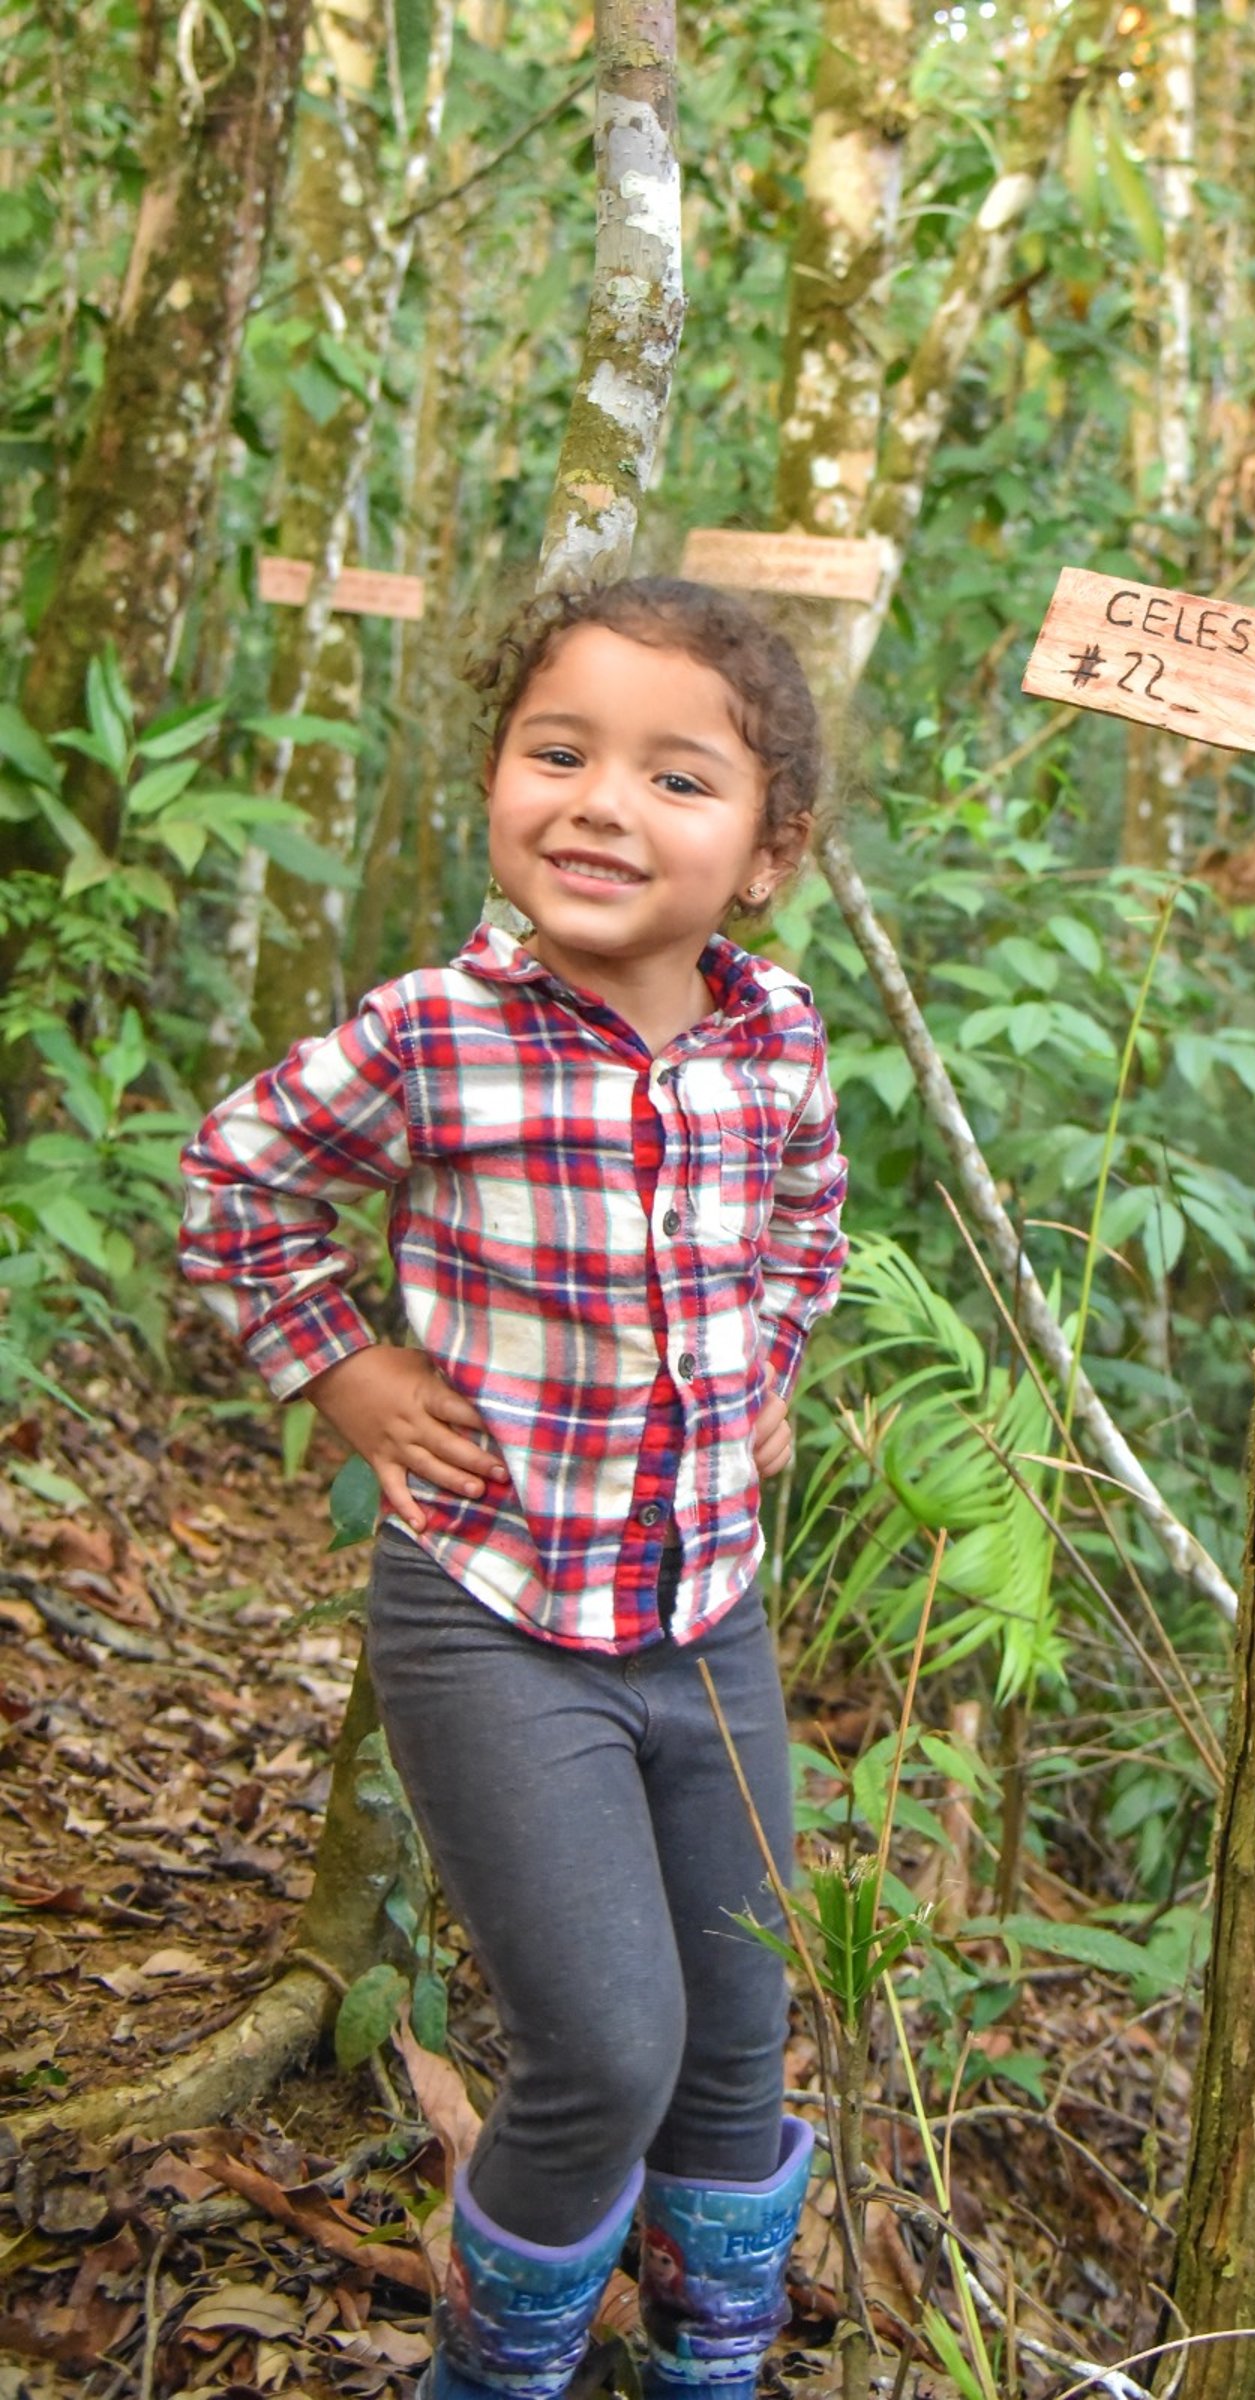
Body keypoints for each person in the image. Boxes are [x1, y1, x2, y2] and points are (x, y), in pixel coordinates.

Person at [180, 580, 848, 2400]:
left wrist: (766, 1371)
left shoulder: (773, 1038)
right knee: (611, 2049)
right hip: (495, 1613)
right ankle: (497, 2373)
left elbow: (805, 1228)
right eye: (557, 753)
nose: (602, 803)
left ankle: (714, 2359)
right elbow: (235, 1181)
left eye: (675, 777)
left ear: (767, 852)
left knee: (739, 2035)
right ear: (496, 778)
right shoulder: (435, 1034)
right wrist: (345, 1367)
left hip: (710, 1612)